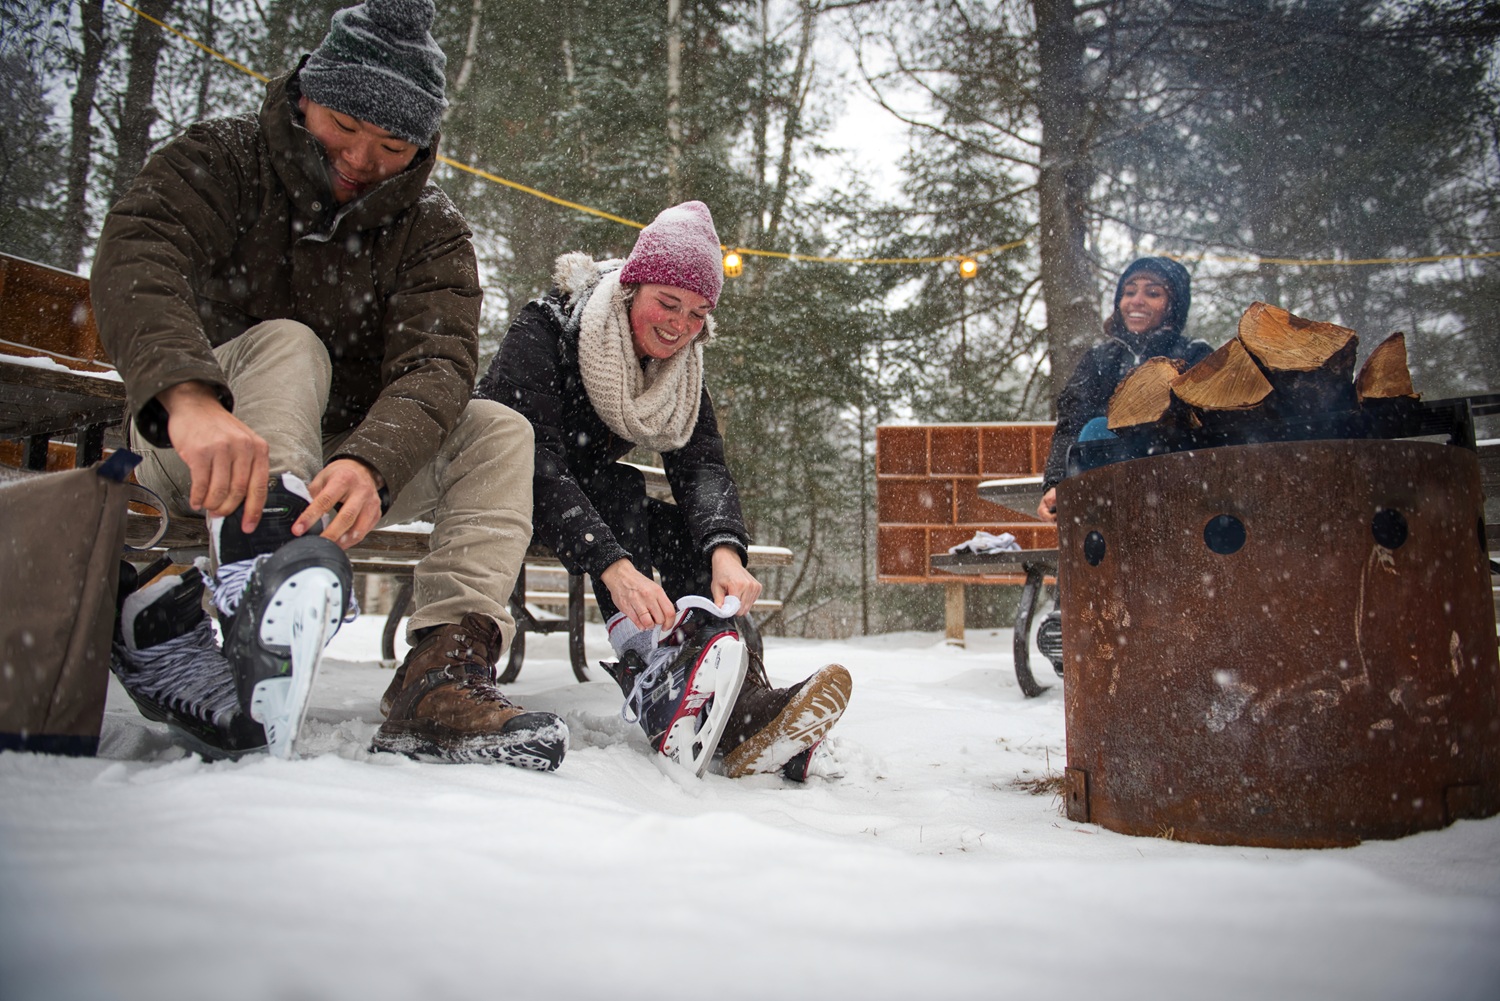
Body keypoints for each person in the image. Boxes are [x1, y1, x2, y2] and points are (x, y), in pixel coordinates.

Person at [91, 0, 566, 771]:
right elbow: (137, 256)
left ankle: (441, 672)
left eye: (391, 144)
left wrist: (375, 461)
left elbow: (437, 363)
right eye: (343, 125)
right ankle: (259, 566)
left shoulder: (433, 230)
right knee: (290, 342)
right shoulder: (222, 159)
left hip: (336, 473)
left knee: (498, 429)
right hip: (188, 447)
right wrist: (188, 397)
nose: (359, 158)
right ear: (307, 90)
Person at [477, 202, 851, 781]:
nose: (680, 326)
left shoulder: (683, 369)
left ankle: (746, 706)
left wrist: (725, 552)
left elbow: (701, 465)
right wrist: (614, 565)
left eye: (699, 313)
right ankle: (653, 673)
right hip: (499, 485)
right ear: (632, 288)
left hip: (589, 500)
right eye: (668, 303)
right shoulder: (550, 327)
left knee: (682, 534)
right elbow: (532, 459)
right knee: (618, 487)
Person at [1036, 256, 1212, 522]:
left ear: (1173, 305)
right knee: (1096, 427)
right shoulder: (1099, 360)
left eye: (1152, 293)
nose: (1137, 300)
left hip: (1179, 492)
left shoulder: (1194, 355)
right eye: (1129, 292)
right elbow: (1071, 425)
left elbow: (1210, 432)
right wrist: (1057, 484)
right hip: (1107, 500)